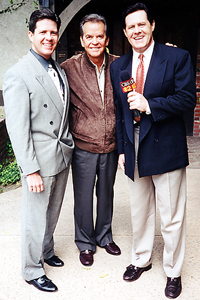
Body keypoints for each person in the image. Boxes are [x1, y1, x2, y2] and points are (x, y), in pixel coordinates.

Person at [110, 3, 196, 299]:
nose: (136, 30)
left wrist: (151, 105)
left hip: (166, 143)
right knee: (140, 211)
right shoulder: (118, 67)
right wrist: (122, 149)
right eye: (130, 26)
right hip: (134, 145)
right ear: (125, 32)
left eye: (141, 24)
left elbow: (187, 100)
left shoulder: (176, 57)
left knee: (171, 215)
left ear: (152, 26)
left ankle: (173, 270)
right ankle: (141, 259)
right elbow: (120, 113)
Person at [3, 9, 74, 292]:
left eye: (53, 32)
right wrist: (29, 169)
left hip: (60, 154)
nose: (49, 37)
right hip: (38, 162)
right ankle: (32, 270)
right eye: (42, 32)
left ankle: (46, 251)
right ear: (31, 35)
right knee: (34, 218)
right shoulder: (18, 74)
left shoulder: (56, 67)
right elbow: (17, 128)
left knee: (53, 212)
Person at [61, 14, 121, 267]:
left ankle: (104, 236)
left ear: (106, 39)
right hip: (84, 145)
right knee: (84, 197)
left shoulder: (120, 64)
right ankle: (85, 243)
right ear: (82, 40)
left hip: (111, 144)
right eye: (89, 37)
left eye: (100, 36)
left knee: (106, 194)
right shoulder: (68, 68)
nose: (95, 41)